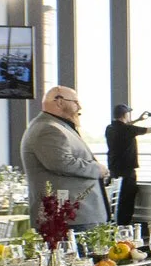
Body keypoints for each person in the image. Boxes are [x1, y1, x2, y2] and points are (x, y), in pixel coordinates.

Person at [19, 85, 108, 227]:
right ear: (59, 102)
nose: (79, 107)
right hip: (69, 218)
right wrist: (97, 169)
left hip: (75, 216)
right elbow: (61, 163)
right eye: (75, 102)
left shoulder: (56, 126)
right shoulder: (48, 129)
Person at [104, 104, 151, 226]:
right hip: (127, 170)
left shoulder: (110, 128)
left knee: (117, 199)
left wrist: (138, 120)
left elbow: (124, 126)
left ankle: (115, 224)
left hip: (113, 169)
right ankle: (125, 226)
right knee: (127, 199)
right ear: (125, 115)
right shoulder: (129, 130)